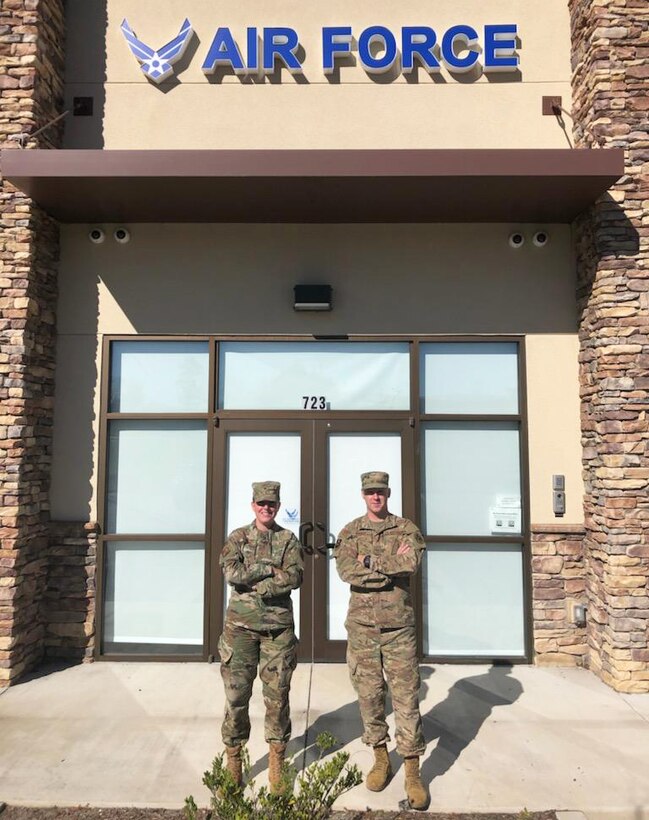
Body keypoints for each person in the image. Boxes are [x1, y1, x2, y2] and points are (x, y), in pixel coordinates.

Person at [334, 471, 428, 810]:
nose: (376, 497)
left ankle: (413, 771)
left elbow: (411, 563)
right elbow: (346, 571)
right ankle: (380, 758)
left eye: (381, 492)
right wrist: (389, 568)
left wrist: (369, 561)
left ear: (389, 493)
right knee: (370, 697)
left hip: (399, 628)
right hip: (362, 628)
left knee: (405, 699)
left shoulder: (406, 529)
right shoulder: (349, 532)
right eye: (371, 492)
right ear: (363, 495)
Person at [218, 480, 303, 793]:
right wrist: (269, 569)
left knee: (277, 698)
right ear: (252, 505)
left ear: (278, 506)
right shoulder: (238, 537)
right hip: (239, 631)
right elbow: (231, 573)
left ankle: (277, 761)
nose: (266, 508)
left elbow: (294, 577)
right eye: (261, 503)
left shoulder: (288, 539)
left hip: (277, 632)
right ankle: (234, 759)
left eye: (272, 504)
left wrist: (257, 579)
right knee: (236, 697)